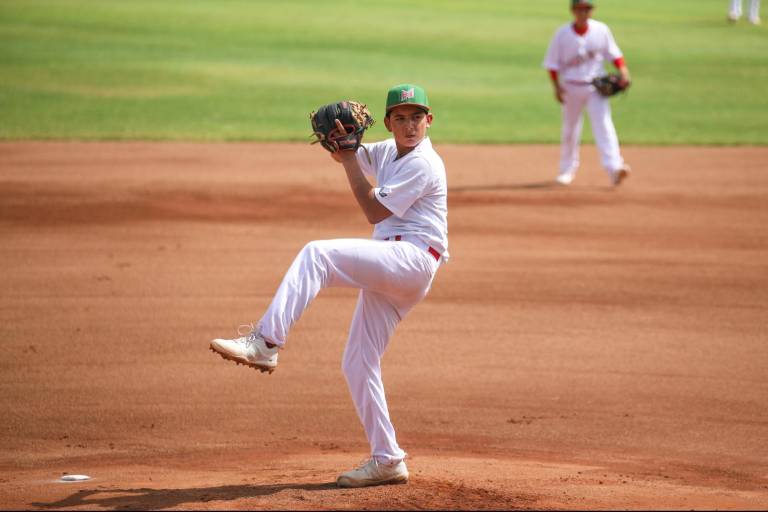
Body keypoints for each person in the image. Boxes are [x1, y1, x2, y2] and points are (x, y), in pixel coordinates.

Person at [209, 84, 448, 488]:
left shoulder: (423, 163)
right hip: (393, 267)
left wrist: (351, 158)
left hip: (411, 261)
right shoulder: (391, 151)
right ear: (388, 123)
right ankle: (388, 459)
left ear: (430, 120)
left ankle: (265, 343)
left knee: (317, 254)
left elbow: (372, 206)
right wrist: (342, 145)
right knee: (358, 362)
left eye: (417, 117)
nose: (410, 126)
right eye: (401, 118)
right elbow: (349, 153)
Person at [543, 0, 632, 186]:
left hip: (595, 89)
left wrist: (623, 71)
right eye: (580, 9)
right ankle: (566, 170)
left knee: (604, 127)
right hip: (570, 88)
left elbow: (614, 54)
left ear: (593, 10)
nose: (584, 12)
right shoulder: (562, 34)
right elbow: (552, 64)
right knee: (570, 130)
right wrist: (556, 86)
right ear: (573, 11)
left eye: (587, 8)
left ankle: (615, 168)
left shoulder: (601, 30)